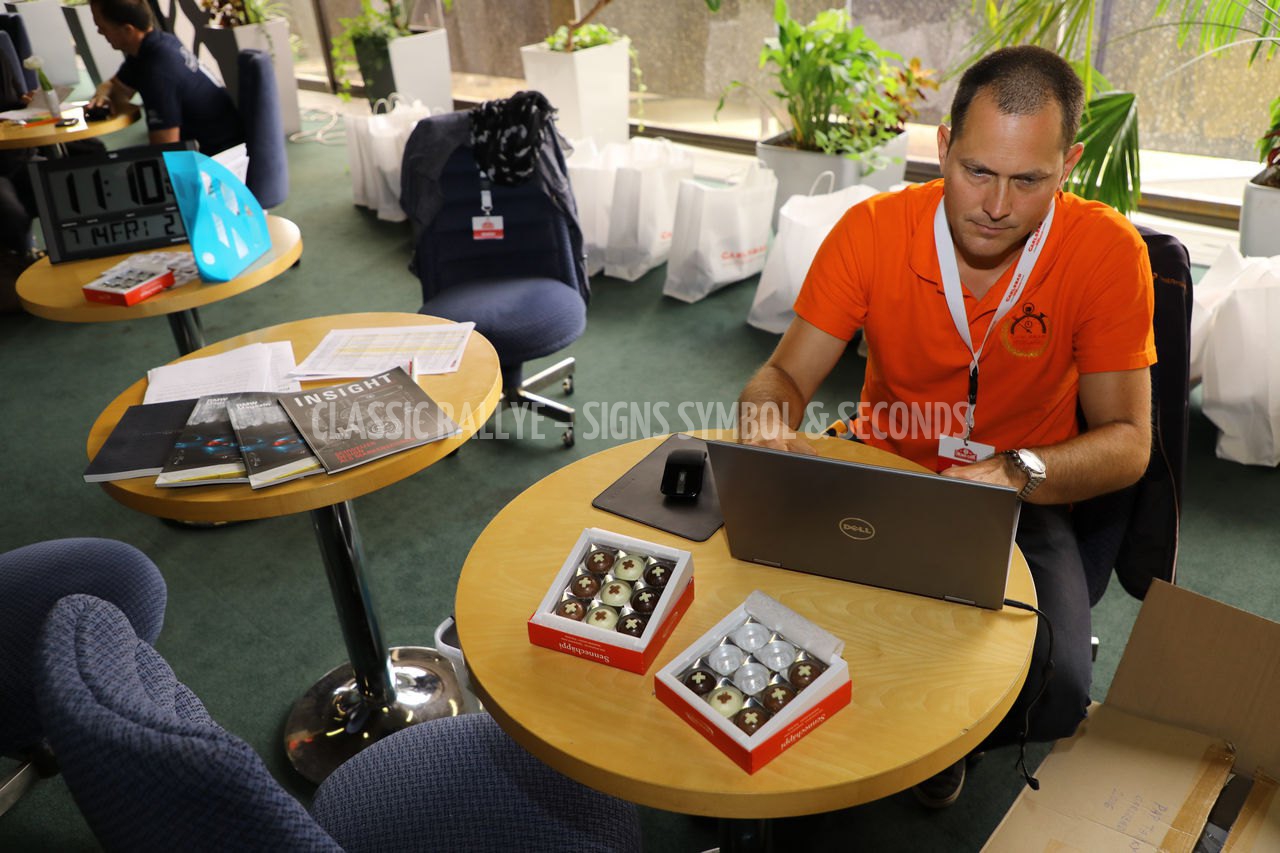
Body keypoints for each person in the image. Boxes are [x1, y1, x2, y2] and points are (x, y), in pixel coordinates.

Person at [737, 45, 1155, 808]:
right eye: (976, 171)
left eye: (1028, 180)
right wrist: (766, 418)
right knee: (754, 602)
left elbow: (1129, 441)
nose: (995, 205)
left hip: (1018, 492)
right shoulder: (872, 230)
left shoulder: (1105, 252)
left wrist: (1016, 469)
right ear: (941, 146)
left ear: (1068, 165)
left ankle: (944, 742)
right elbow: (785, 375)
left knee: (1060, 689)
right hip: (882, 465)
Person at [87, 0, 243, 156]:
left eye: (102, 27)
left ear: (128, 30)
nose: (99, 32)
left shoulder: (157, 72)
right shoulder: (158, 44)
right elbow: (113, 85)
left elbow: (166, 151)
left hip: (219, 158)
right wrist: (103, 95)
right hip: (229, 145)